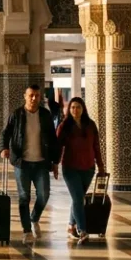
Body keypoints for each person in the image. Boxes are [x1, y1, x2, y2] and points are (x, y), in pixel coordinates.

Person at [0, 83, 60, 243]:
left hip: (41, 163)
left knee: (44, 195)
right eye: (31, 95)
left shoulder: (45, 115)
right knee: (24, 197)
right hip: (22, 163)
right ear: (25, 97)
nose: (34, 98)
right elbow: (6, 133)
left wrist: (55, 162)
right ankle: (27, 230)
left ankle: (34, 218)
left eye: (37, 96)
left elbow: (53, 140)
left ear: (40, 97)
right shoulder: (17, 114)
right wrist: (4, 148)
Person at [56, 96, 104, 242]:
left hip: (88, 168)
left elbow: (96, 147)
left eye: (78, 107)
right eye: (72, 107)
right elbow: (58, 147)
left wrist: (101, 166)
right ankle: (82, 230)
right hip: (70, 168)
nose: (75, 110)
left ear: (83, 109)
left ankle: (71, 225)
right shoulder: (64, 126)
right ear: (68, 109)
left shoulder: (90, 125)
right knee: (78, 198)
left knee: (78, 198)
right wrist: (54, 164)